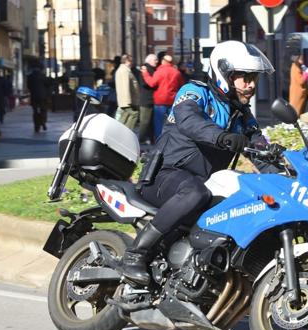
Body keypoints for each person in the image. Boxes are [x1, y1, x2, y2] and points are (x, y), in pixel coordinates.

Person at [118, 40, 278, 286]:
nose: (252, 85)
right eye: (245, 77)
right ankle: (135, 254)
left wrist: (286, 172)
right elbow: (188, 119)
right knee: (195, 192)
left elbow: (259, 149)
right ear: (226, 74)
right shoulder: (194, 92)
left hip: (204, 184)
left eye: (254, 78)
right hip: (164, 176)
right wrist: (222, 137)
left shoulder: (241, 115)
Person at [141, 54, 185, 140]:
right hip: (172, 100)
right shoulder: (176, 72)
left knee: (159, 124)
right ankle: (172, 140)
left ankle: (159, 141)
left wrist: (145, 74)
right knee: (172, 123)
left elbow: (152, 83)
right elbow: (181, 86)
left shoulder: (159, 71)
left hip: (160, 101)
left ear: (163, 61)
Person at [137, 54, 158, 145]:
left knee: (150, 122)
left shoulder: (152, 69)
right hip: (146, 99)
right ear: (149, 60)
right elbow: (145, 83)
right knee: (145, 122)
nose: (157, 61)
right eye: (155, 60)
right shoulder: (145, 69)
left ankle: (150, 138)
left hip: (151, 99)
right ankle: (141, 140)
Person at [115, 54, 140, 130]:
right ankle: (127, 132)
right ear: (126, 61)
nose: (132, 63)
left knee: (124, 117)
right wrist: (128, 101)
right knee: (134, 114)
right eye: (131, 61)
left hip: (125, 100)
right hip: (127, 100)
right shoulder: (124, 71)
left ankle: (121, 132)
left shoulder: (123, 70)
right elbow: (125, 86)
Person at [27, 61, 50, 132]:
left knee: (35, 111)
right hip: (42, 96)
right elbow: (47, 85)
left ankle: (36, 126)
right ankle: (43, 122)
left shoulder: (30, 76)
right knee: (43, 110)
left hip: (34, 97)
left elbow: (29, 86)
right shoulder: (43, 76)